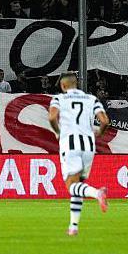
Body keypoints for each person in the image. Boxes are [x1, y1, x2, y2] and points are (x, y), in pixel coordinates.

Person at [48, 72, 110, 236]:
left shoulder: (59, 98)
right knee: (78, 185)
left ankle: (97, 193)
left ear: (63, 86)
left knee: (71, 185)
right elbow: (105, 121)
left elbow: (52, 117)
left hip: (70, 144)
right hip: (89, 146)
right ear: (76, 84)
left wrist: (58, 132)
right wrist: (100, 133)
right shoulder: (91, 99)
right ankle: (73, 226)